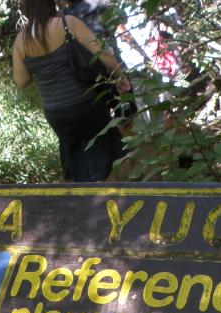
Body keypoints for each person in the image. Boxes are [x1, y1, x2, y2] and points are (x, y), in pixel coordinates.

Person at [12, 0, 130, 182]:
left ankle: (85, 195)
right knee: (106, 152)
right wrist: (120, 76)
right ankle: (108, 192)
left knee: (77, 160)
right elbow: (102, 54)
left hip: (56, 113)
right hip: (86, 104)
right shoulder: (67, 23)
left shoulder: (21, 40)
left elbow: (21, 80)